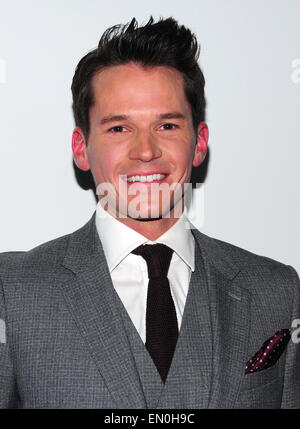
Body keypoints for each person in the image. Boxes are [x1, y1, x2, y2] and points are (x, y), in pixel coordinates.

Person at [0, 16, 299, 409]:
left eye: (167, 125)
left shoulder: (277, 290)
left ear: (199, 142)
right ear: (81, 147)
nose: (146, 151)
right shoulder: (12, 290)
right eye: (119, 128)